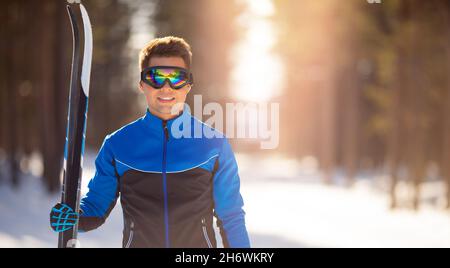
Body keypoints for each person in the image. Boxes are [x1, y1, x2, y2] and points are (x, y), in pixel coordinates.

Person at [50, 36, 250, 248]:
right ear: (142, 84)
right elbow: (96, 207)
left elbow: (231, 217)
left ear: (188, 85)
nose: (166, 87)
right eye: (155, 77)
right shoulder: (118, 145)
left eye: (176, 78)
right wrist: (74, 217)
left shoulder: (213, 145)